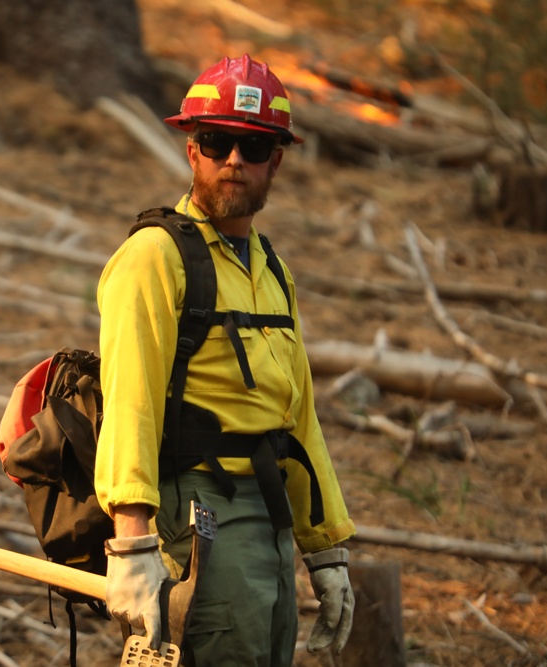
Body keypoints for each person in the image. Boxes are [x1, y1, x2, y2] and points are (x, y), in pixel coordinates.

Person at [94, 54, 357, 666]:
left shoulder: (271, 269)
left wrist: (325, 547)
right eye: (216, 141)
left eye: (252, 145)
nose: (233, 158)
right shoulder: (154, 257)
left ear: (276, 161)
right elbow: (129, 402)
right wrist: (132, 544)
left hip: (270, 521)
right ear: (192, 152)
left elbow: (299, 419)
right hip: (196, 523)